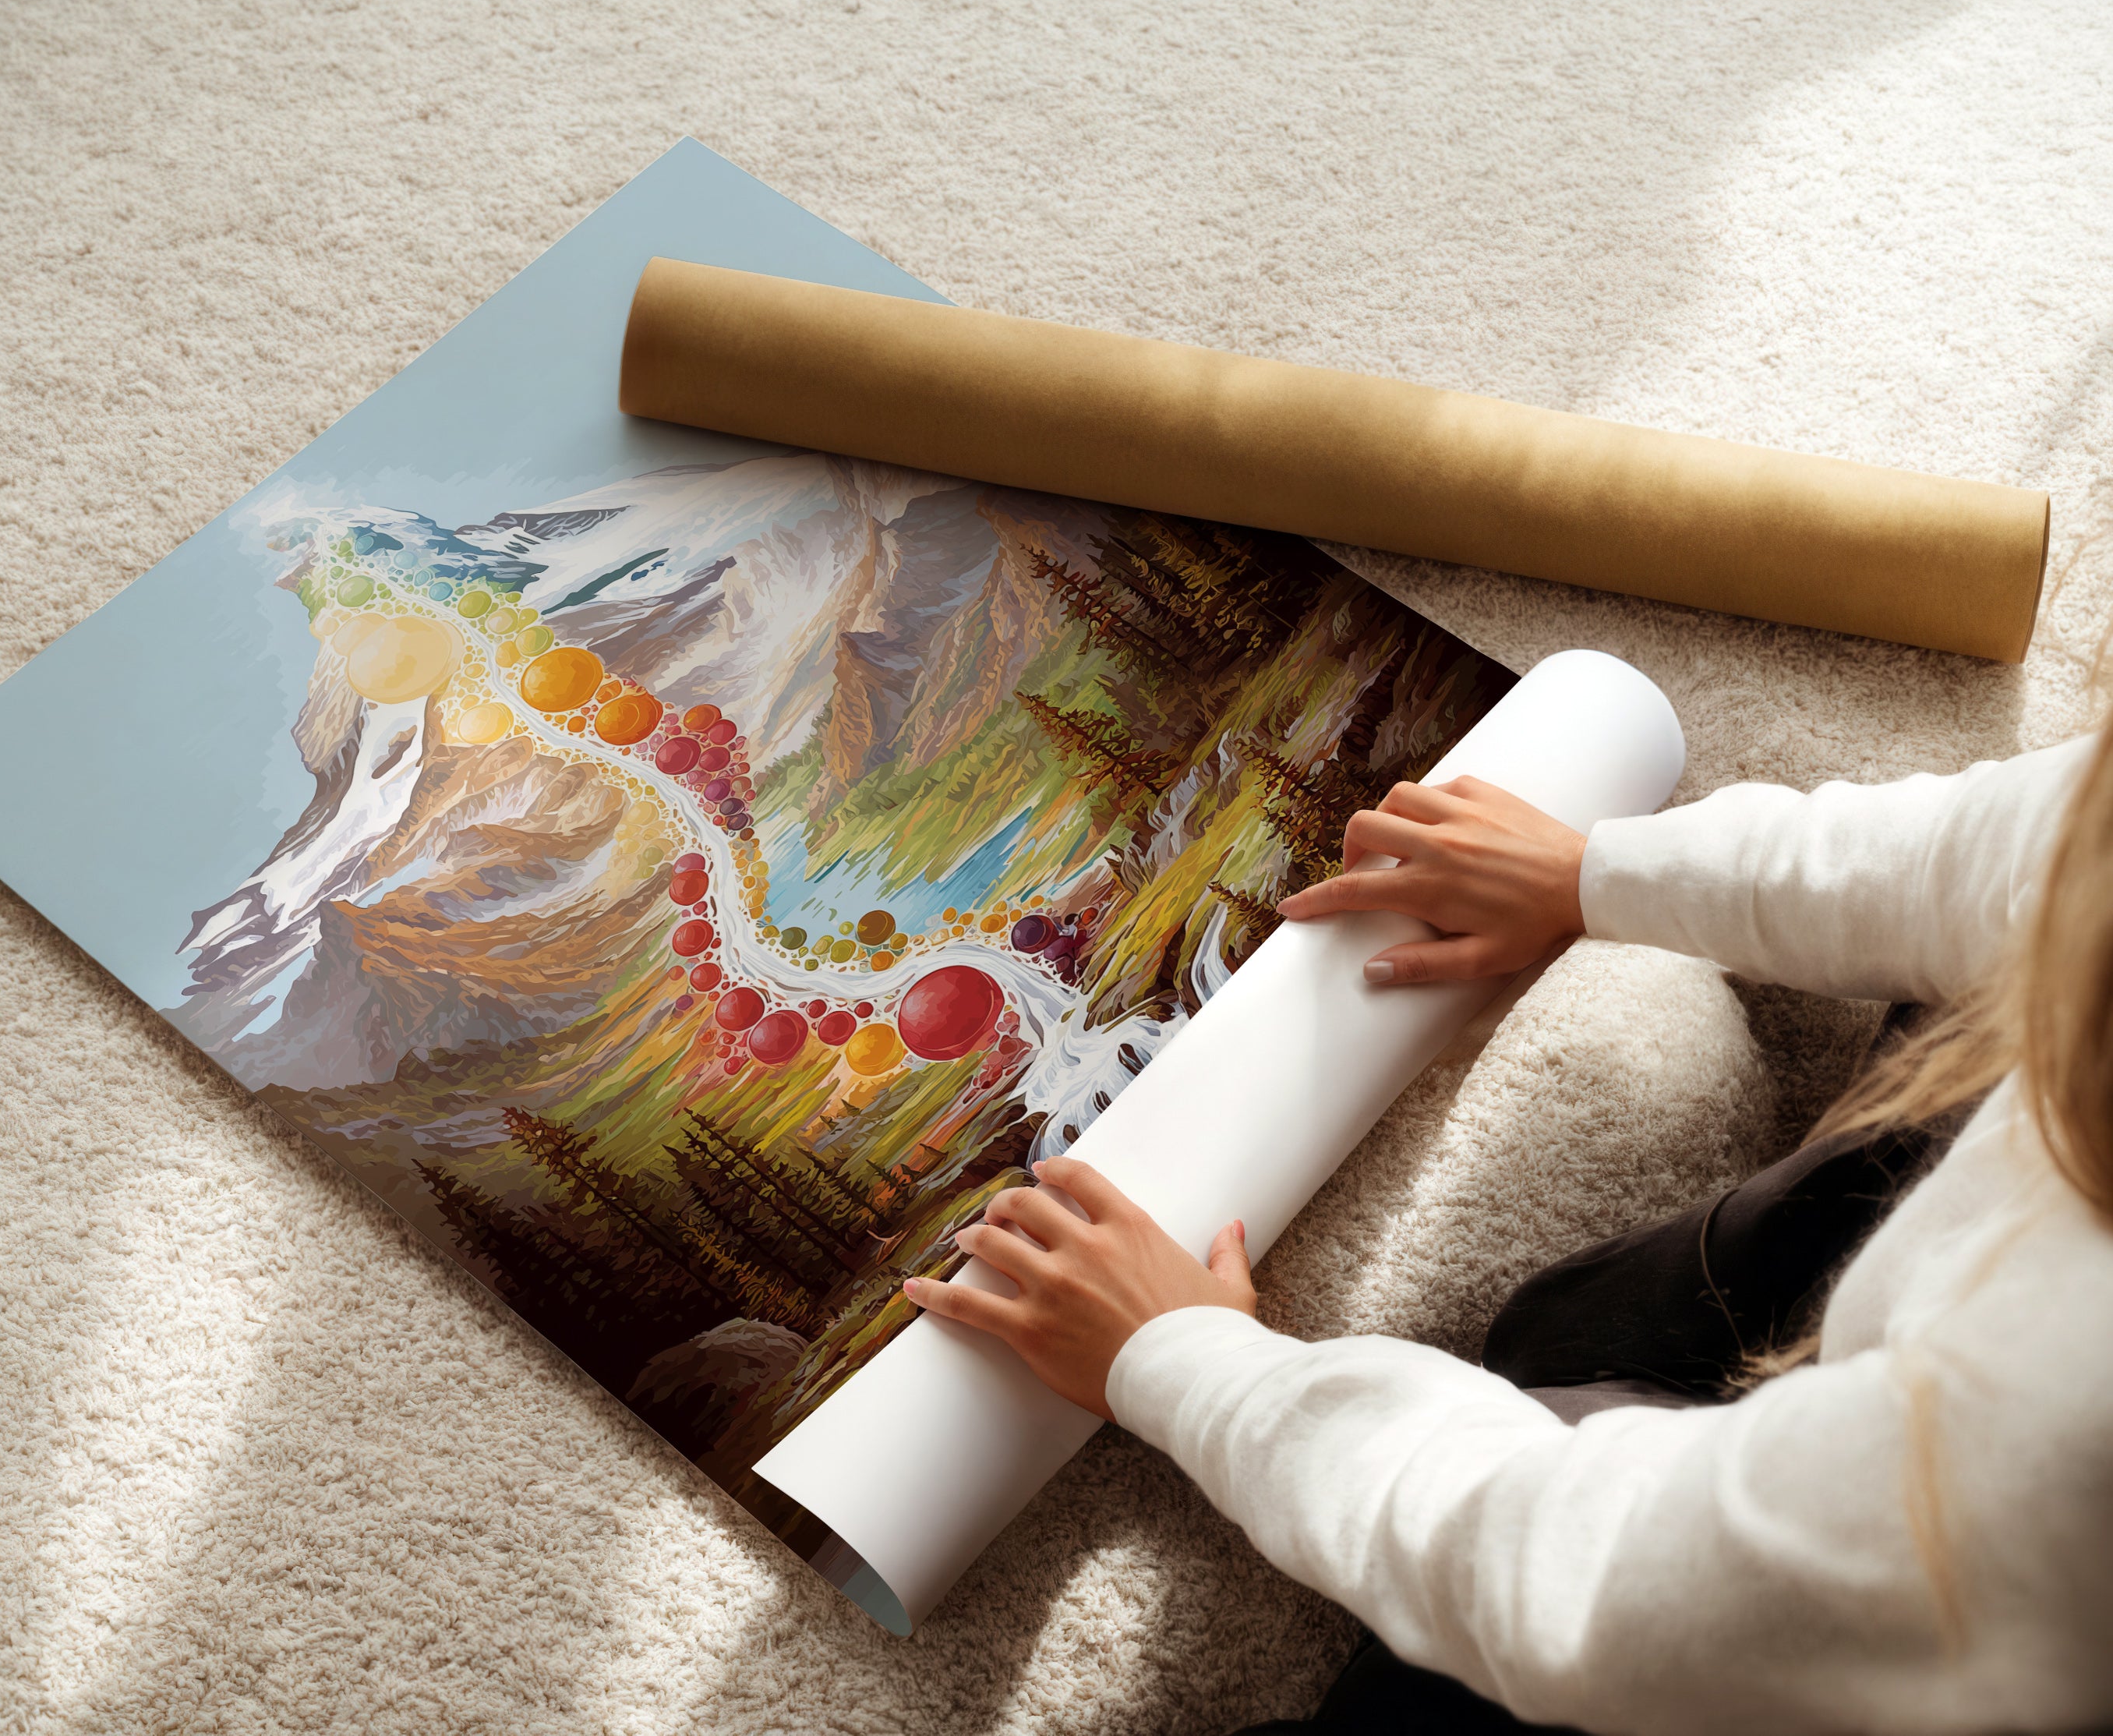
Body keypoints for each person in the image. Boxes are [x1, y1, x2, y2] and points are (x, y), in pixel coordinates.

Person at [903, 731, 2113, 1734]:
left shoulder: (2056, 1437)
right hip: (1949, 1381)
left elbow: (1592, 1580)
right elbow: (2020, 847)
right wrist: (1594, 872)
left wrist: (1188, 1364)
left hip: (1935, 1623)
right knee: (1569, 1328)